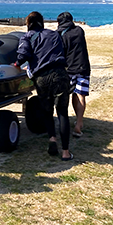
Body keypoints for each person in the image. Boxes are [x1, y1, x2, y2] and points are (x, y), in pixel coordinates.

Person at [14, 11, 73, 161]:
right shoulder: (54, 34)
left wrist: (16, 65)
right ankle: (65, 152)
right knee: (62, 113)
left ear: (28, 24)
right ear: (42, 22)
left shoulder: (27, 37)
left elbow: (23, 55)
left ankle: (52, 138)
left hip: (42, 78)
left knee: (47, 111)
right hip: (59, 74)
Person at [57, 12, 91, 137]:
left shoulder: (60, 34)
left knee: (67, 95)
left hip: (68, 69)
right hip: (83, 67)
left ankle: (64, 121)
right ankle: (79, 122)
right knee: (81, 95)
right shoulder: (80, 31)